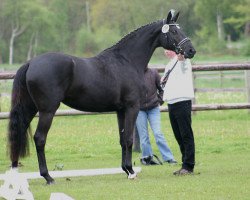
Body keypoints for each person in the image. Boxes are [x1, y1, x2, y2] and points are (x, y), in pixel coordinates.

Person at [162, 50, 195, 175]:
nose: (166, 51)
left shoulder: (184, 60)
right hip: (171, 102)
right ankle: (184, 163)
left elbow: (183, 67)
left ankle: (189, 165)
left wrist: (182, 59)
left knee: (186, 134)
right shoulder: (170, 64)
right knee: (178, 135)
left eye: (168, 48)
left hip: (182, 101)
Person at [136, 67, 177, 165]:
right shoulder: (134, 74)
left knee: (158, 134)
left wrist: (159, 100)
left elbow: (161, 88)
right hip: (139, 110)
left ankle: (169, 158)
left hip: (153, 109)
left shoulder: (153, 72)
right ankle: (147, 158)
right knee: (144, 137)